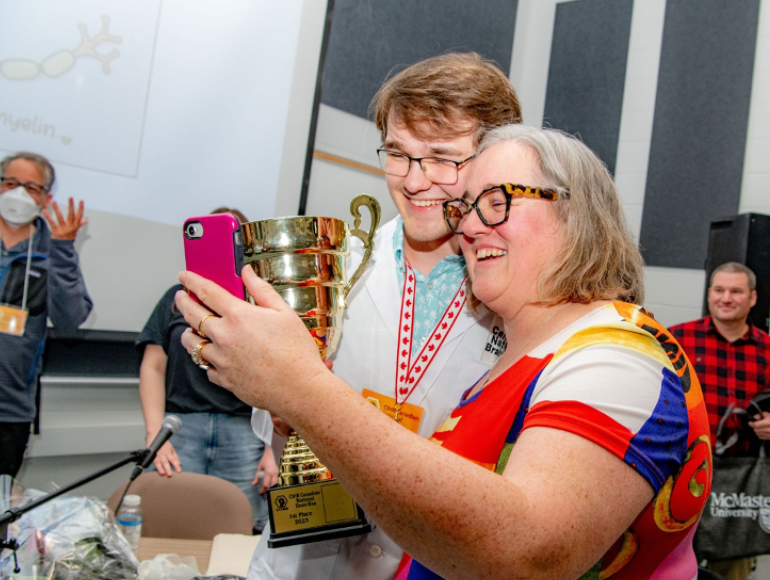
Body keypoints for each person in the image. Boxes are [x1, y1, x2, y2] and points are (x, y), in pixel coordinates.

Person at [175, 125, 712, 580]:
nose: (470, 225)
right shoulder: (524, 361)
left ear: (577, 213)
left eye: (497, 202)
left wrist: (302, 388)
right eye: (465, 207)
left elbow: (530, 552)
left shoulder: (617, 357)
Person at [247, 52, 523, 578]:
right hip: (306, 554)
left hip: (434, 559)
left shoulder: (518, 294)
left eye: (443, 157)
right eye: (398, 153)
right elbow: (268, 417)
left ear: (496, 160)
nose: (414, 181)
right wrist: (281, 408)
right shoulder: (330, 267)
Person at [135, 207, 277, 532]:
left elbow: (276, 378)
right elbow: (153, 367)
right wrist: (155, 433)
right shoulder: (177, 300)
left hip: (245, 432)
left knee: (237, 527)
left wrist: (273, 448)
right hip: (180, 429)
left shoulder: (259, 304)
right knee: (170, 522)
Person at [668, 262, 770, 580]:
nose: (725, 298)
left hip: (739, 487)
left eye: (736, 291)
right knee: (671, 567)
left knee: (731, 573)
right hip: (679, 478)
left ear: (752, 298)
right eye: (718, 290)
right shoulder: (677, 340)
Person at [0, 152, 91, 478]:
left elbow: (70, 320)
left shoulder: (53, 249)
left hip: (8, 412)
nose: (18, 193)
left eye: (31, 187)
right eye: (11, 183)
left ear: (45, 198)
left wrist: (64, 250)